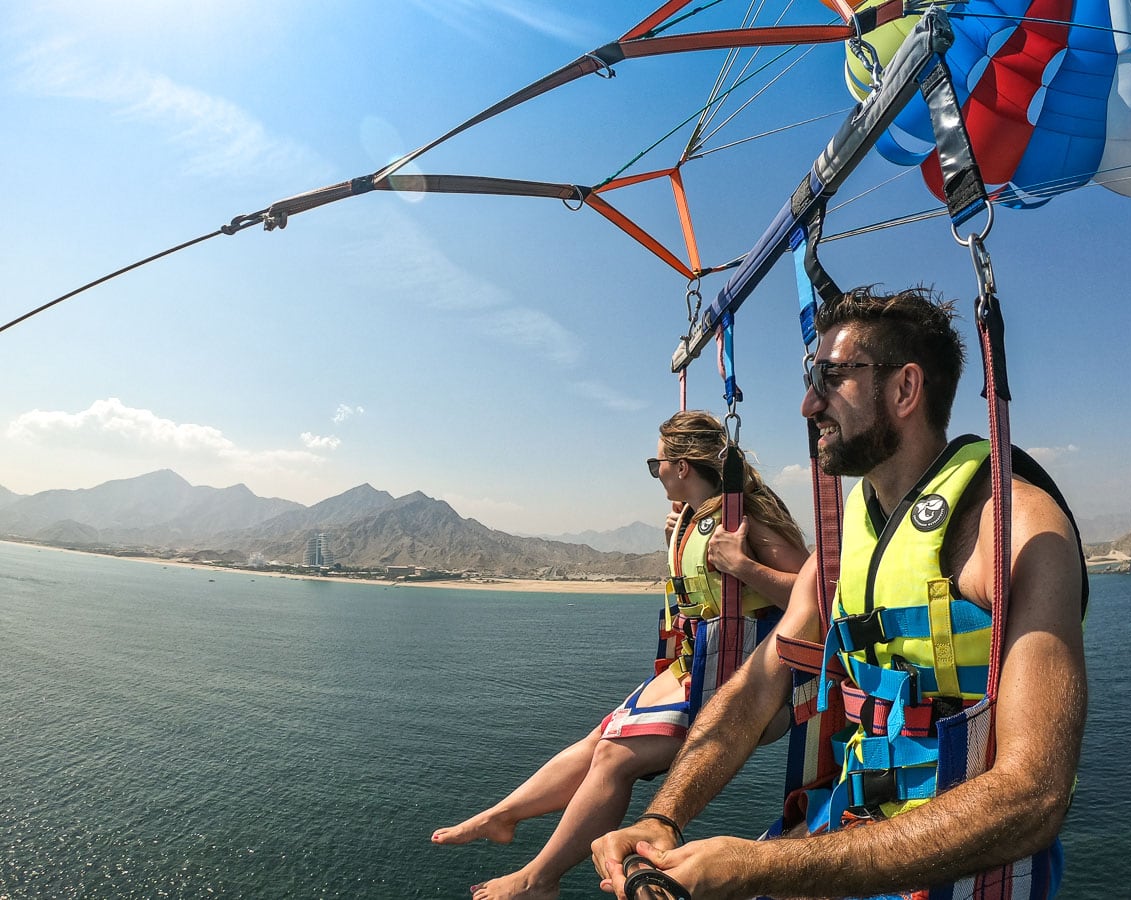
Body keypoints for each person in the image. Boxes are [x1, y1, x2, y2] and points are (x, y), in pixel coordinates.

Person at [592, 286, 1088, 899]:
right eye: (811, 377)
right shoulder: (852, 527)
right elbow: (756, 685)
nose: (807, 403)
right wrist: (661, 818)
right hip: (851, 831)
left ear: (905, 389)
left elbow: (1034, 794)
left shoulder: (1014, 525)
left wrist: (758, 867)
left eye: (832, 377)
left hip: (955, 872)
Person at [432, 409, 810, 900]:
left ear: (681, 467)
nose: (655, 477)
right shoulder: (695, 519)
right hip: (697, 668)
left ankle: (538, 879)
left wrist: (742, 565)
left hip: (744, 688)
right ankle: (503, 816)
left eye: (656, 467)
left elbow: (817, 593)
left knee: (614, 758)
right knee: (601, 737)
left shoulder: (745, 520)